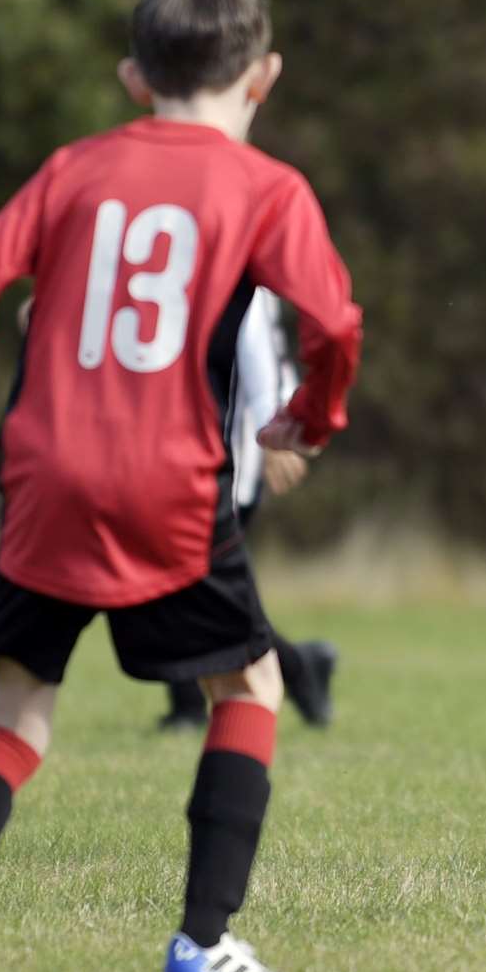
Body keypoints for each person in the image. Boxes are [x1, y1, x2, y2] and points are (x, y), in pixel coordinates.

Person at [0, 0, 362, 972]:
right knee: (253, 685)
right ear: (263, 77)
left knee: (16, 710)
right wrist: (309, 419)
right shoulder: (266, 187)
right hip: (171, 486)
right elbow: (334, 325)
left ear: (135, 78)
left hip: (43, 481)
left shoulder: (71, 170)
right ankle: (202, 945)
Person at [157, 287, 338, 732]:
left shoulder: (233, 263)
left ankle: (198, 703)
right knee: (184, 585)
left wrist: (271, 430)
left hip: (227, 459)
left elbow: (256, 347)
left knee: (196, 586)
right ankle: (299, 667)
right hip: (173, 455)